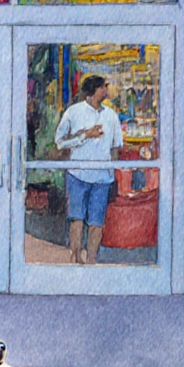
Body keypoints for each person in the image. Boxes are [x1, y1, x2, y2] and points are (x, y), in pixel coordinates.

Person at [54, 74, 123, 264]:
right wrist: (85, 135)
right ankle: (75, 257)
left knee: (96, 222)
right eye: (103, 87)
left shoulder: (111, 116)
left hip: (102, 178)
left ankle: (92, 258)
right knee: (76, 218)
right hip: (78, 174)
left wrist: (112, 171)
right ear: (94, 90)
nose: (107, 91)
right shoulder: (74, 112)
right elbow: (59, 142)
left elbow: (116, 146)